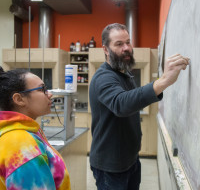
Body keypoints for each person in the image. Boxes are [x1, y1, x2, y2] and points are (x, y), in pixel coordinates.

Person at [89, 23, 190, 190]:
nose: (126, 48)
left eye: (128, 42)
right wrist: (163, 81)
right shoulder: (103, 77)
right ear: (105, 49)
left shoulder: (125, 74)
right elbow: (121, 104)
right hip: (110, 167)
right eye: (119, 44)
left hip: (131, 160)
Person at [0, 67, 71, 190]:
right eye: (42, 89)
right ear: (19, 99)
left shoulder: (22, 131)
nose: (49, 94)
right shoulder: (21, 144)